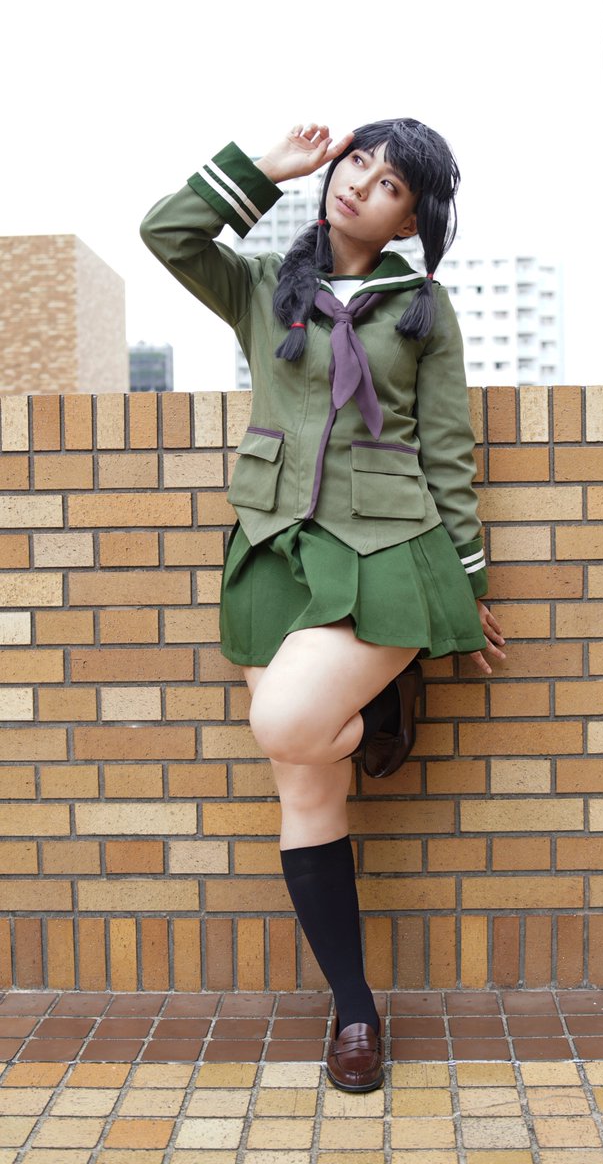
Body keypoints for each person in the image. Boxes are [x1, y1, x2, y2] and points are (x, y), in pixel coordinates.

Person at [141, 119, 505, 1093]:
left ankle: (365, 711)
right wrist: (265, 170)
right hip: (272, 551)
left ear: (409, 220)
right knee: (305, 785)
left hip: (385, 548)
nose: (360, 184)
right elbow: (167, 232)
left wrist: (468, 582)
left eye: (390, 185)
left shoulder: (422, 306)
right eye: (357, 163)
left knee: (286, 723)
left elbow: (448, 451)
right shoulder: (264, 286)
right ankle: (354, 1012)